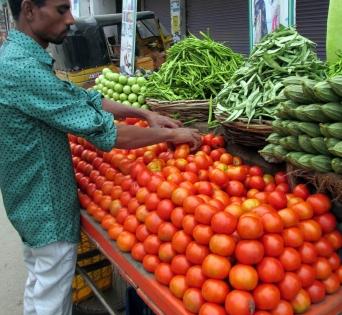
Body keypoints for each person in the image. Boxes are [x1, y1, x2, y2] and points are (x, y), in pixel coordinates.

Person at [0, 1, 201, 315]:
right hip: (45, 207)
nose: (72, 19)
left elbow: (81, 97)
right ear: (29, 9)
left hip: (27, 200)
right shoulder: (24, 71)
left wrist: (142, 112)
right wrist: (172, 136)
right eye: (61, 10)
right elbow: (108, 134)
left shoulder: (16, 57)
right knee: (51, 300)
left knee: (40, 285)